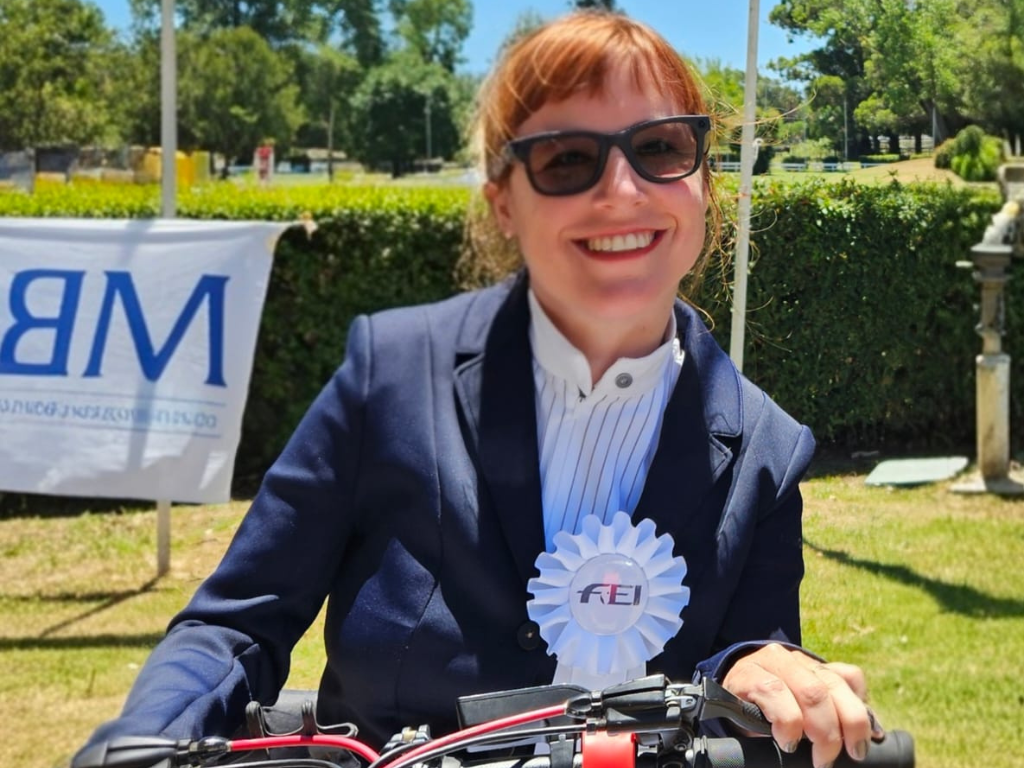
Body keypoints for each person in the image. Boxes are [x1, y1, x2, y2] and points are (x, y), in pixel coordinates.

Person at [79, 11, 882, 768]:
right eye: (568, 158)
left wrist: (762, 665)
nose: (624, 191)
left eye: (662, 149)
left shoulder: (765, 450)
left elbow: (751, 657)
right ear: (503, 201)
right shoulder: (389, 373)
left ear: (703, 183)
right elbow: (235, 628)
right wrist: (144, 742)